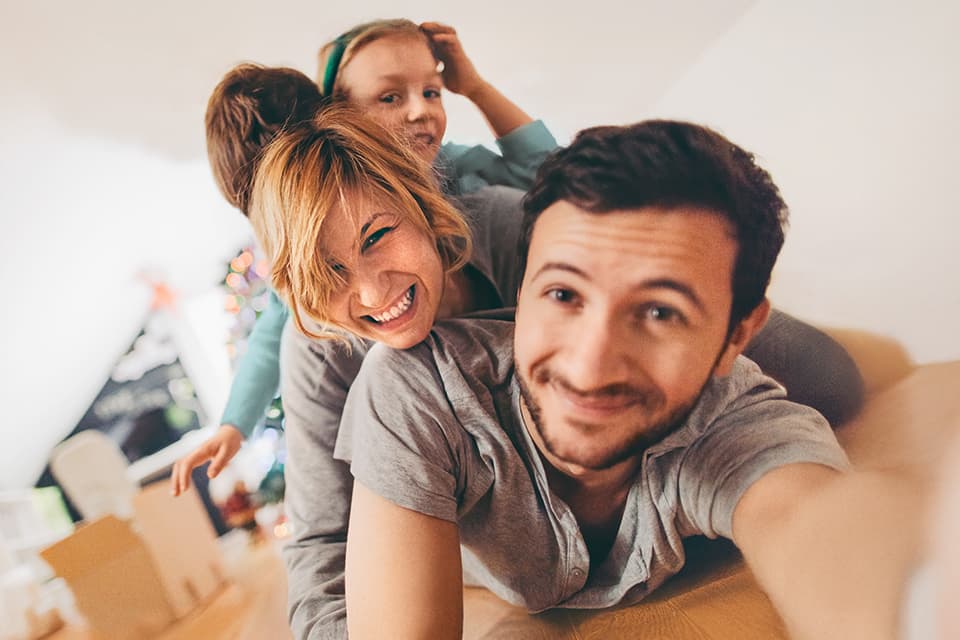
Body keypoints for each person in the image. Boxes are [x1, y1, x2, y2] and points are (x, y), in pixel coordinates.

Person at [335, 121, 911, 639]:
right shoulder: (414, 388)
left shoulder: (733, 417)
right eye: (563, 294)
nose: (589, 370)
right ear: (522, 288)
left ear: (736, 336)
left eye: (660, 312)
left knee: (850, 371)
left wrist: (911, 599)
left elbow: (812, 522)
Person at [170, 19, 559, 496]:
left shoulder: (467, 183)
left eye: (431, 92)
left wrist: (474, 87)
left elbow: (551, 179)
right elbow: (273, 336)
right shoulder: (326, 335)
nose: (418, 111)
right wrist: (234, 424)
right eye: (390, 98)